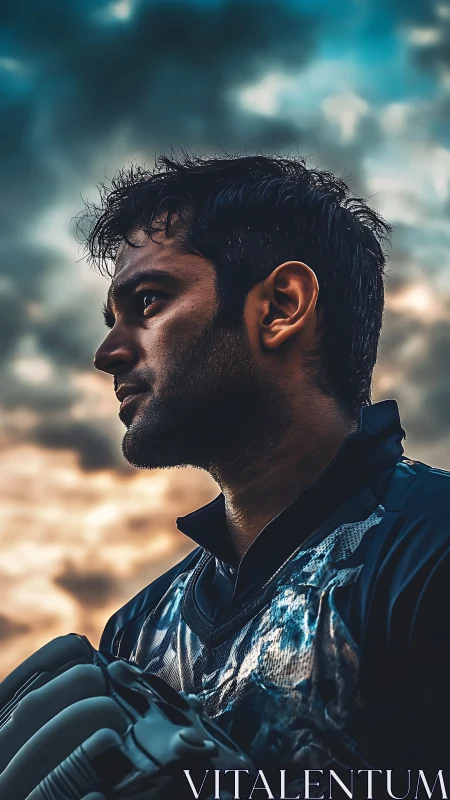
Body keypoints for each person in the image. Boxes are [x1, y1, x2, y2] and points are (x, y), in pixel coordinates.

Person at [85, 153, 449, 774]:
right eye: (112, 320)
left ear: (281, 306)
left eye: (147, 302)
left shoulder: (432, 551)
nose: (108, 352)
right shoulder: (135, 635)